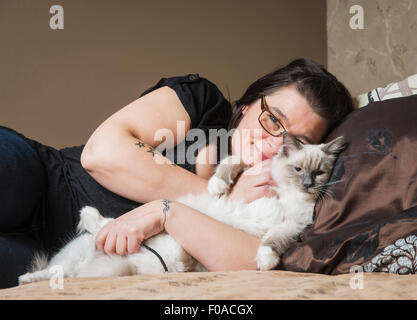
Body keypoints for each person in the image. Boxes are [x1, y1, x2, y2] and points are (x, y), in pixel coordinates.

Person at [0, 59, 354, 288]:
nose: (274, 141)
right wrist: (219, 198)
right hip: (42, 178)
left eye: (297, 139)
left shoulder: (280, 199)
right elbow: (102, 154)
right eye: (272, 118)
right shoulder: (205, 104)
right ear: (247, 105)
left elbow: (250, 264)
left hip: (53, 256)